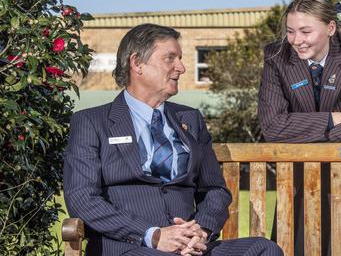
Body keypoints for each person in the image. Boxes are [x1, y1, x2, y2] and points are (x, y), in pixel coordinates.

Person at [64, 24, 283, 256]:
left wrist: (200, 232)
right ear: (137, 63)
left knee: (263, 250)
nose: (182, 67)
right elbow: (82, 198)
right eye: (170, 58)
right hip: (131, 247)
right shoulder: (92, 122)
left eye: (180, 58)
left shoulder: (190, 119)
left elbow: (214, 190)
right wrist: (153, 234)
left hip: (189, 247)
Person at [258, 0, 341, 255]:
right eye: (290, 31)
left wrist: (300, 133)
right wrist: (330, 119)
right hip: (301, 181)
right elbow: (271, 127)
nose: (296, 40)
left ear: (331, 28)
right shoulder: (276, 57)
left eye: (305, 31)